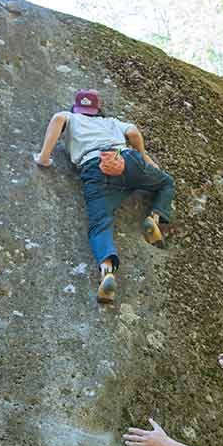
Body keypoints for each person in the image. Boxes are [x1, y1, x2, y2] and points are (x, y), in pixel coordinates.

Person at [34, 88, 174, 304]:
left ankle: (107, 271)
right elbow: (134, 132)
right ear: (97, 109)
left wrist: (44, 157)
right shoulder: (111, 122)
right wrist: (144, 157)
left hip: (95, 168)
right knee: (166, 182)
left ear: (77, 108)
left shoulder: (70, 117)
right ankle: (154, 217)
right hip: (126, 159)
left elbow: (58, 118)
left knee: (100, 225)